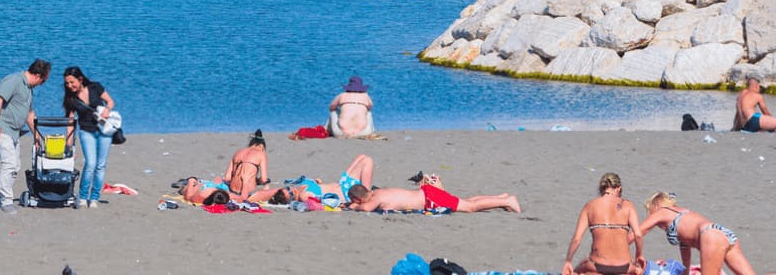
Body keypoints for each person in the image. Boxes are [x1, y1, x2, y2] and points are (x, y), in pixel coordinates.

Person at [0, 58, 51, 214]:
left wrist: (37, 136)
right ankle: (6, 201)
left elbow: (29, 114)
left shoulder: (28, 89)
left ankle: (3, 197)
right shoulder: (14, 80)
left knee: (15, 166)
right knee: (9, 163)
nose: (42, 84)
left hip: (15, 132)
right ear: (38, 75)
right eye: (43, 81)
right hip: (2, 128)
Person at [639, 191, 754, 275]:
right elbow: (686, 254)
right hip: (723, 234)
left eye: (650, 211)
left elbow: (637, 233)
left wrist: (622, 248)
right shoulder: (680, 219)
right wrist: (686, 272)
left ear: (657, 206)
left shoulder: (663, 211)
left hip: (710, 235)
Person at [563, 172, 644, 275]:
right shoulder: (628, 206)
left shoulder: (590, 206)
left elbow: (576, 239)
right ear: (618, 188)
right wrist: (639, 255)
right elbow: (638, 235)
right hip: (624, 267)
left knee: (580, 267)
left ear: (601, 189)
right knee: (638, 270)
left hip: (597, 266)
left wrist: (568, 261)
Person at [63, 66, 116, 208]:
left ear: (80, 79)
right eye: (67, 83)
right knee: (90, 164)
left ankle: (94, 198)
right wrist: (69, 144)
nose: (69, 86)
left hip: (103, 130)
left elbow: (110, 101)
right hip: (86, 132)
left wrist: (107, 109)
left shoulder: (95, 87)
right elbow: (70, 121)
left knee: (101, 166)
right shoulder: (70, 98)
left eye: (72, 82)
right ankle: (82, 196)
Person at [253, 154, 375, 205]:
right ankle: (367, 193)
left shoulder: (302, 186)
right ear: (291, 198)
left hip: (342, 183)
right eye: (290, 194)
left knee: (362, 156)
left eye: (287, 189)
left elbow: (317, 184)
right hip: (345, 191)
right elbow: (321, 203)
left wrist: (317, 182)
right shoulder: (304, 196)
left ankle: (366, 191)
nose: (291, 190)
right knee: (367, 161)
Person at [347, 180, 520, 213]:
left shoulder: (374, 199)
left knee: (469, 208)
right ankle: (499, 198)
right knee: (466, 202)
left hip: (431, 199)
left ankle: (507, 200)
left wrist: (353, 207)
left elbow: (366, 208)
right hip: (428, 194)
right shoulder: (378, 192)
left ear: (359, 199)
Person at [223, 129, 269, 199]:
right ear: (262, 146)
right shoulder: (261, 154)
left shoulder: (238, 152)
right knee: (267, 187)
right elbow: (264, 179)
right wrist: (256, 181)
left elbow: (227, 178)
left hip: (232, 190)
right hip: (247, 192)